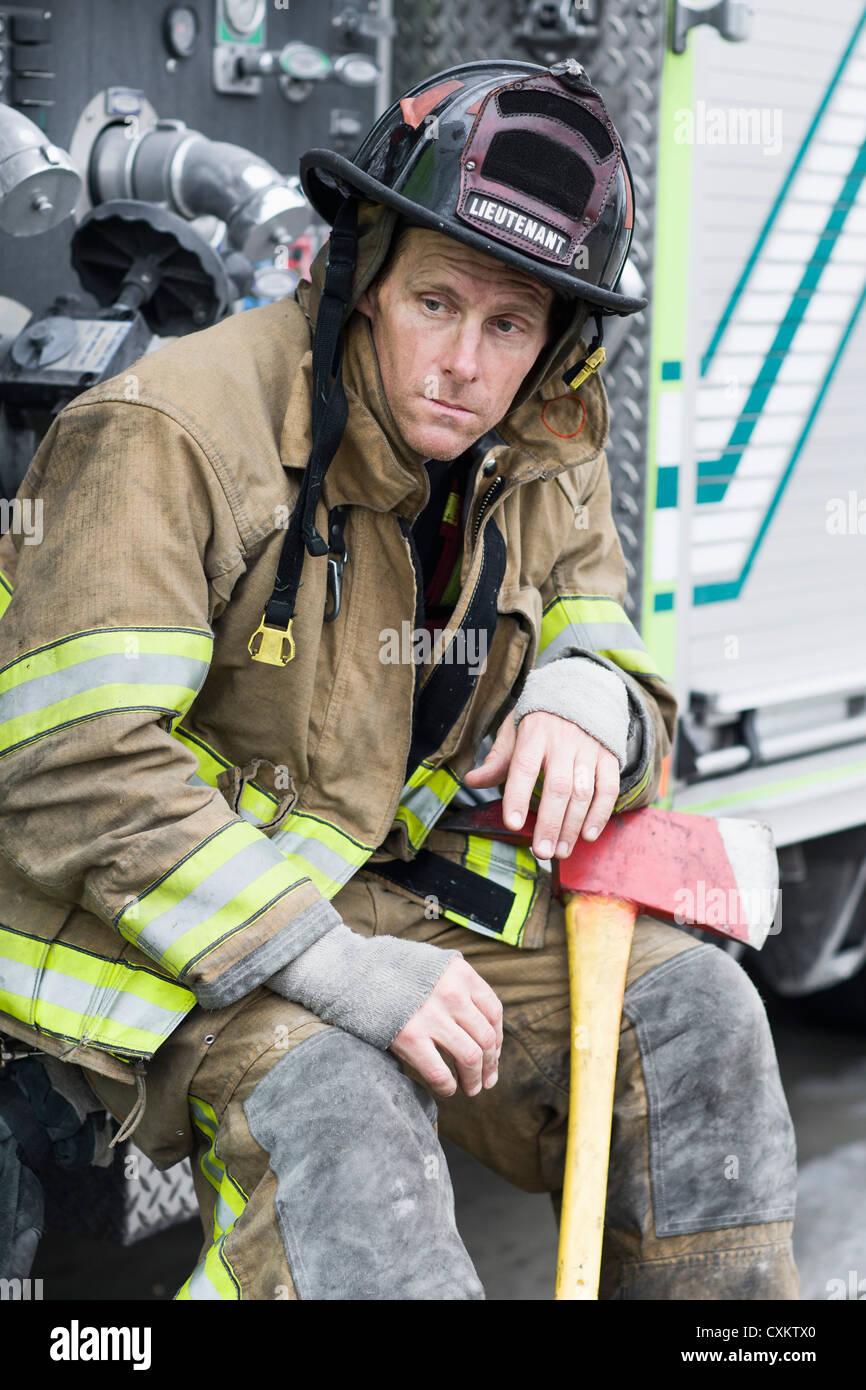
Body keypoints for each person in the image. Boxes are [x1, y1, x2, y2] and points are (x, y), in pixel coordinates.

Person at [0, 58, 798, 1299]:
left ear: (552, 345)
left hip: (391, 904)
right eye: (435, 302)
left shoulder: (538, 446)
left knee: (698, 1018)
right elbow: (72, 767)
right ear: (364, 276)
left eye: (509, 326)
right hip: (165, 935)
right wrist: (324, 965)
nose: (462, 367)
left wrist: (587, 702)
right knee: (344, 1101)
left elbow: (622, 663)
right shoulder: (166, 434)